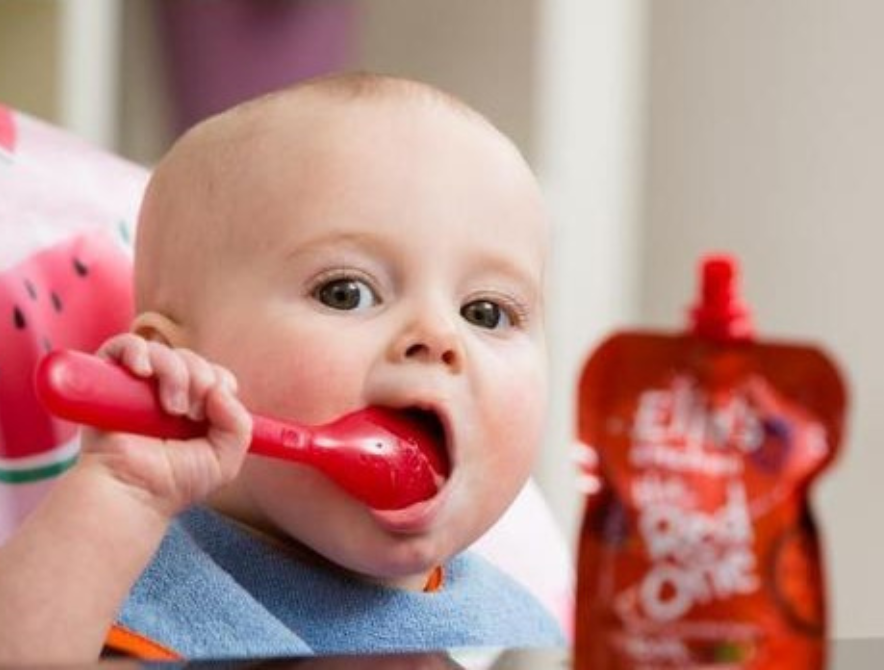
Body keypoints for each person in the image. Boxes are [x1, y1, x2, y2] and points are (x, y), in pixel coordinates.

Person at [0, 72, 561, 662]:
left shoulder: (495, 619)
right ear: (176, 362)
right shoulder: (141, 599)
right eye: (346, 292)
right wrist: (118, 493)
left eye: (487, 312)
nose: (440, 337)